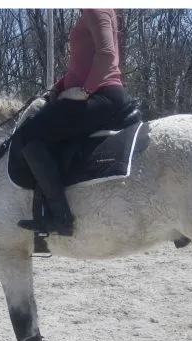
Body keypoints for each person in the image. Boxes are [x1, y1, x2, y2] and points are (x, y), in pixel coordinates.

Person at [15, 9, 130, 237]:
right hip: (93, 91)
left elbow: (106, 54)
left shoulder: (95, 9)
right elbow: (81, 65)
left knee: (29, 135)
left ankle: (61, 217)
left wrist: (85, 91)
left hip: (102, 94)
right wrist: (57, 89)